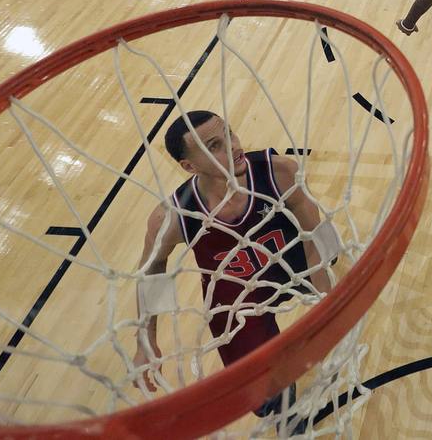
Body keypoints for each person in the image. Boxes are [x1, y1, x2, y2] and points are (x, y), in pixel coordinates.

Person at [132, 110, 336, 417]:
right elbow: (152, 270)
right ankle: (282, 406)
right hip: (238, 292)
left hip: (295, 261)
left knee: (335, 301)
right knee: (263, 393)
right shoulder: (172, 217)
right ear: (189, 166)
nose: (233, 146)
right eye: (215, 145)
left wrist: (327, 301)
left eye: (229, 134)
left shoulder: (278, 171)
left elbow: (317, 236)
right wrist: (145, 340)